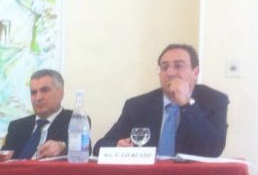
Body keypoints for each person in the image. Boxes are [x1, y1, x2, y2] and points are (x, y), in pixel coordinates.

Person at [94, 44, 228, 157]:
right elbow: (100, 147)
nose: (170, 72)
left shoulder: (214, 101)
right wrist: (118, 147)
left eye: (178, 66)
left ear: (195, 72)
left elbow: (214, 150)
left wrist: (187, 104)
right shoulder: (137, 106)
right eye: (164, 67)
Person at [1, 69, 72, 159]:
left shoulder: (74, 120)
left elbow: (84, 149)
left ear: (60, 93)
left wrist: (63, 147)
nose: (38, 98)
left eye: (45, 90)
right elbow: (2, 160)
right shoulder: (16, 127)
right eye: (33, 93)